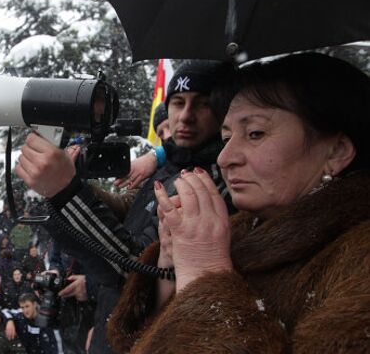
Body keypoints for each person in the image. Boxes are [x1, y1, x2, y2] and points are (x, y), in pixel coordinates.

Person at [106, 53, 370, 352]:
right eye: (226, 136)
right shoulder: (235, 232)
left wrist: (206, 276)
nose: (224, 158)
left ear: (336, 152)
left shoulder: (359, 263)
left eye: (255, 133)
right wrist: (169, 267)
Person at [16, 60, 234, 354]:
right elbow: (130, 220)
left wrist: (66, 192)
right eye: (178, 102)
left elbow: (138, 274)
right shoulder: (170, 164)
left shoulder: (212, 183)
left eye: (202, 104)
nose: (185, 116)